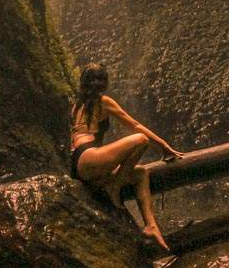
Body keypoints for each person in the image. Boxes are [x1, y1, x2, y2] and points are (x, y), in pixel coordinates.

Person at [69, 62, 183, 252]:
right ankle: (116, 187)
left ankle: (151, 226)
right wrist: (164, 146)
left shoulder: (76, 107)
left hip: (80, 164)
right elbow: (136, 126)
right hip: (89, 157)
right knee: (141, 139)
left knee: (141, 173)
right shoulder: (103, 101)